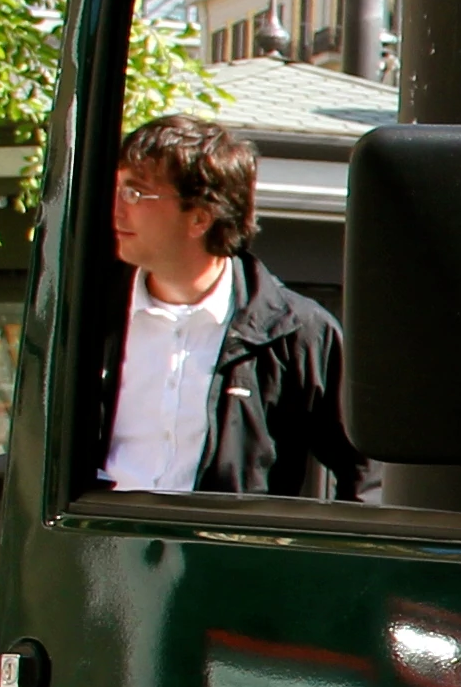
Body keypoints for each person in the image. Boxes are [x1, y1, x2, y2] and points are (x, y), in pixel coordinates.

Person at [91, 112, 359, 497]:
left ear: (200, 217)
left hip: (225, 539)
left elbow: (366, 477)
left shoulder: (296, 333)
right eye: (116, 189)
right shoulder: (83, 317)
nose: (115, 209)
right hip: (100, 535)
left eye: (134, 193)